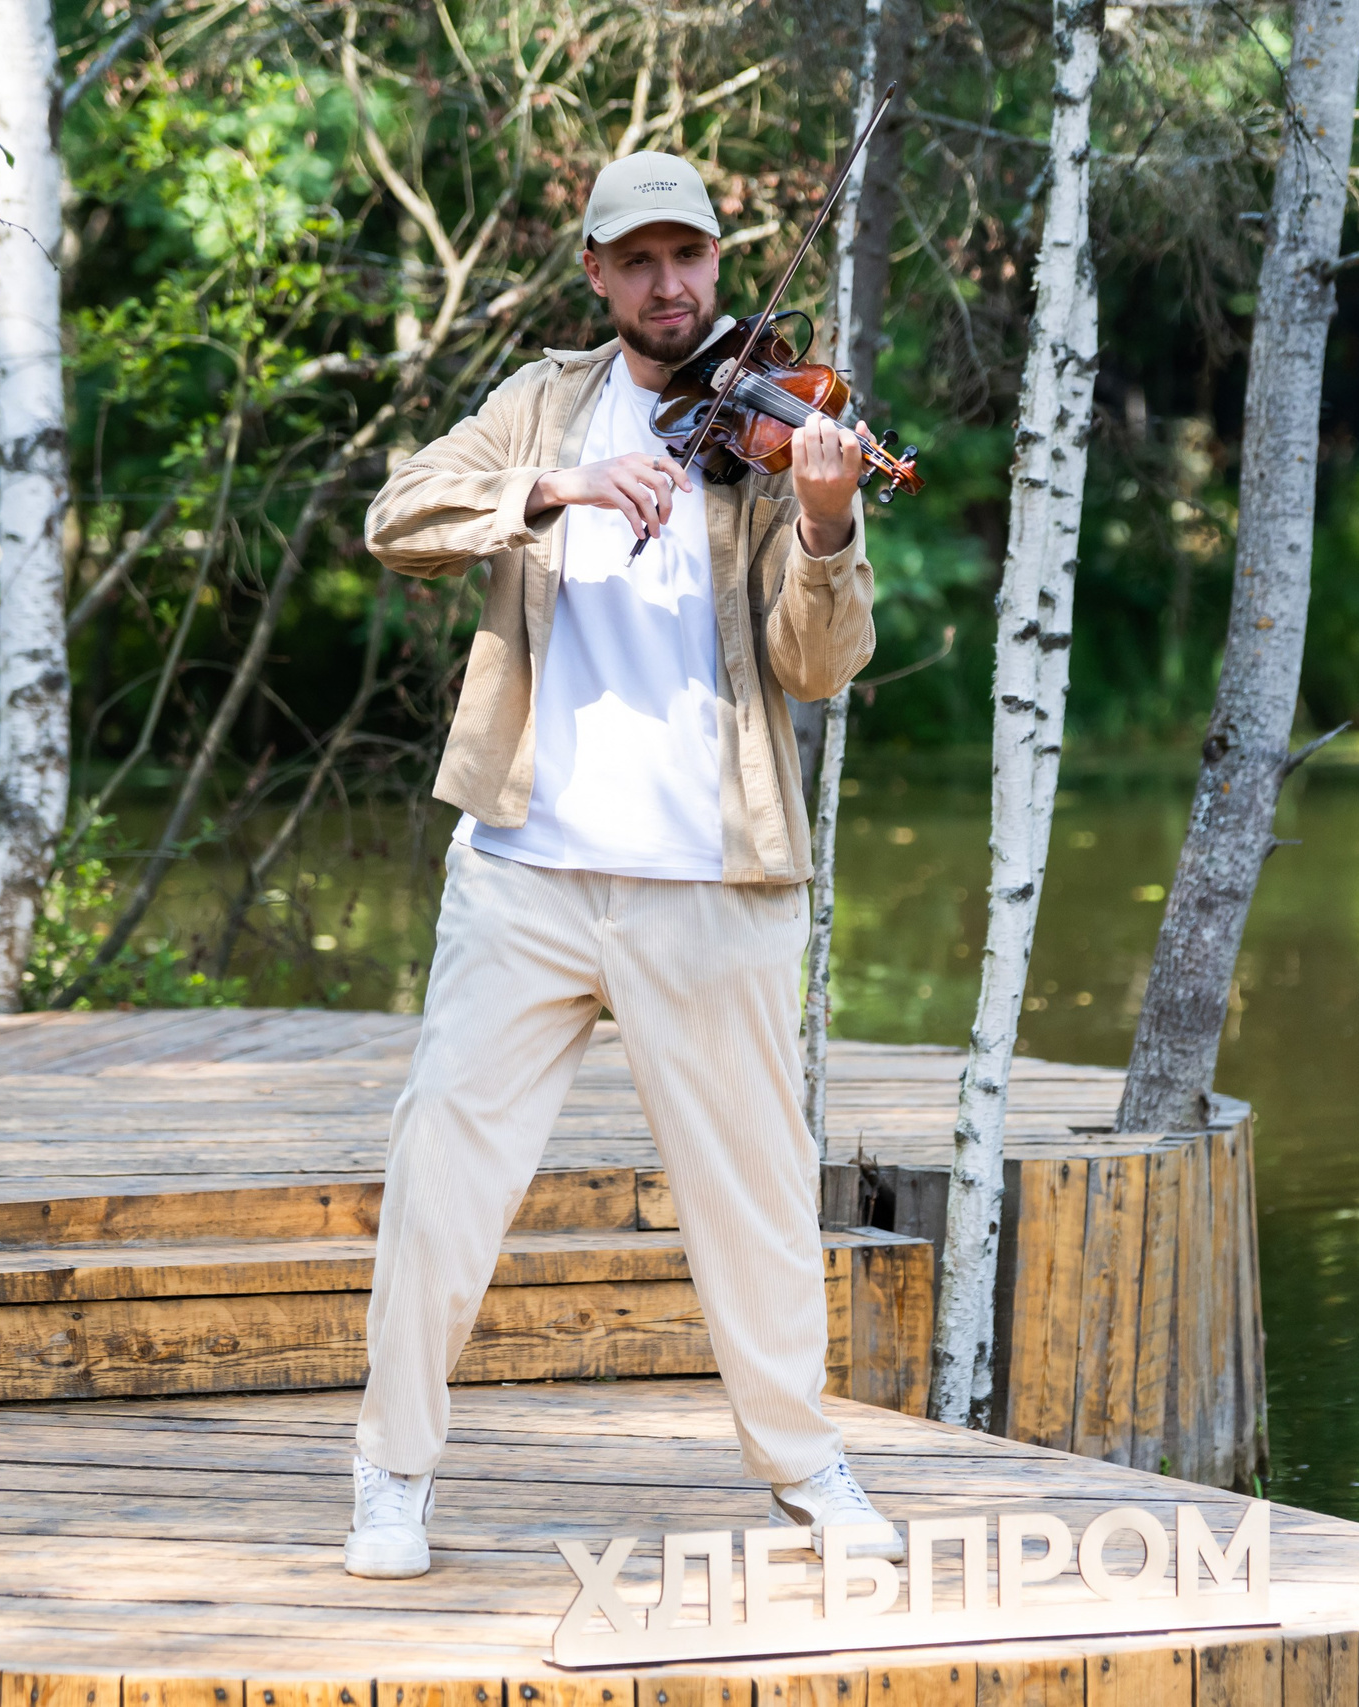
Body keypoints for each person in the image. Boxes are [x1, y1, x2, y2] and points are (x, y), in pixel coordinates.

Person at [346, 150, 895, 1580]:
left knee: (757, 1193)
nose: (669, 286)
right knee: (441, 1170)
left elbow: (819, 666)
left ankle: (808, 1468)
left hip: (712, 876)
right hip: (525, 868)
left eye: (688, 257)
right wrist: (559, 487)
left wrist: (827, 525)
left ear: (719, 261)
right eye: (638, 261)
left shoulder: (777, 423)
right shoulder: (542, 403)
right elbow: (397, 519)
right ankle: (391, 1475)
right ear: (594, 270)